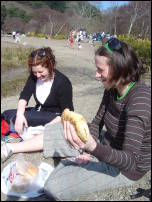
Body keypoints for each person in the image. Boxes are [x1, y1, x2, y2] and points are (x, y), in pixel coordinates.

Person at [1, 38, 151, 201]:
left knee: (53, 187)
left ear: (119, 70)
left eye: (100, 70)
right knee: (63, 128)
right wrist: (88, 149)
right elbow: (96, 122)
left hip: (125, 168)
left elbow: (130, 160)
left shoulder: (140, 100)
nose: (96, 75)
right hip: (107, 144)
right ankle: (10, 148)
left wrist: (93, 149)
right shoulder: (112, 87)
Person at [1, 47, 74, 136]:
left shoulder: (62, 82)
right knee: (7, 114)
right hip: (38, 112)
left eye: (41, 71)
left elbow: (68, 112)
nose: (38, 75)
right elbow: (24, 95)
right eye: (35, 72)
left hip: (55, 116)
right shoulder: (34, 77)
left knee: (21, 117)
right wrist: (20, 115)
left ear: (50, 66)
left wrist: (48, 128)